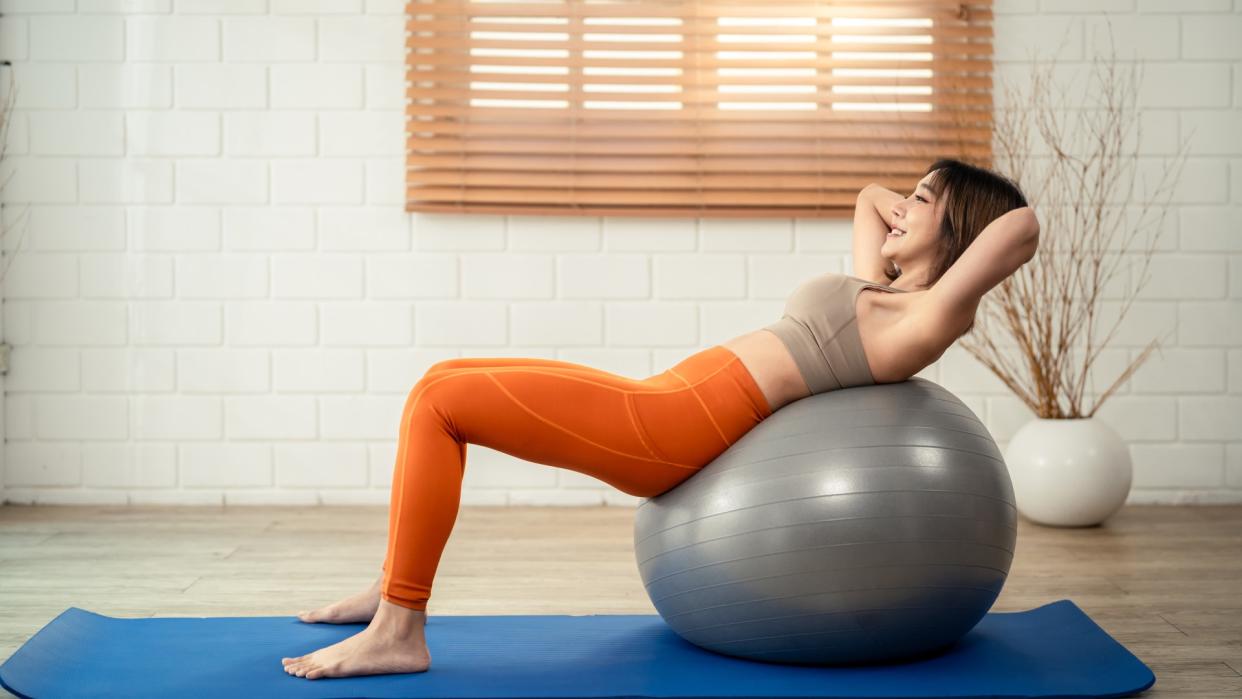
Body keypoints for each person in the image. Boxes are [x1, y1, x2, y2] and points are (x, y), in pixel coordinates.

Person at [280, 157, 1039, 679]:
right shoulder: (888, 291)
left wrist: (959, 208)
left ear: (962, 229)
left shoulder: (930, 317)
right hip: (667, 395)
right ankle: (392, 588)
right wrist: (923, 205)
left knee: (442, 406)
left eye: (925, 202)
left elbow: (1022, 226)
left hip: (672, 429)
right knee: (440, 380)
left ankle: (400, 628)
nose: (900, 208)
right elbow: (870, 195)